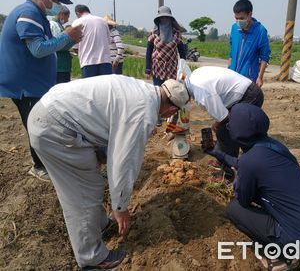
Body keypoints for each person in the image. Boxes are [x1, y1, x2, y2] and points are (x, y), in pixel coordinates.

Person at [27, 75, 189, 270]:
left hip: (51, 113)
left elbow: (109, 121)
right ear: (171, 109)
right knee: (82, 194)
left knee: (91, 182)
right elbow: (124, 162)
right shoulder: (143, 113)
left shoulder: (143, 90)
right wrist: (120, 207)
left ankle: (101, 225)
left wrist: (102, 151)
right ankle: (92, 258)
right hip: (55, 128)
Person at [207, 103, 300, 270]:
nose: (228, 127)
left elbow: (243, 200)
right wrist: (219, 154)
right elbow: (246, 163)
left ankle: (281, 257)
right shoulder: (273, 146)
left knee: (234, 209)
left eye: (230, 124)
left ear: (237, 131)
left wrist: (239, 181)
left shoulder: (250, 161)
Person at [0, 0, 82, 181]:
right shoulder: (28, 13)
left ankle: (44, 162)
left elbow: (49, 45)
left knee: (40, 123)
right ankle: (39, 166)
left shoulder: (37, 14)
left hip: (32, 82)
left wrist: (69, 41)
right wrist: (67, 36)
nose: (56, 4)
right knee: (35, 125)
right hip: (24, 85)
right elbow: (37, 49)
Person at [183, 66, 264, 160]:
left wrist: (216, 125)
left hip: (250, 96)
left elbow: (224, 117)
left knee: (229, 131)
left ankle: (231, 168)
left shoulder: (202, 93)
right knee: (224, 129)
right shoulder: (193, 78)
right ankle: (223, 159)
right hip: (243, 93)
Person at [228, 0, 271, 87]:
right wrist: (228, 69)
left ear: (250, 15)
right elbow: (231, 53)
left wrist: (260, 77)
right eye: (236, 18)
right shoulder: (234, 28)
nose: (238, 21)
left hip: (248, 79)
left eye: (242, 18)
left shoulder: (260, 31)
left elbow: (264, 57)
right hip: (232, 76)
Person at [145, 5, 186, 86]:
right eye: (162, 18)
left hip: (172, 68)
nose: (164, 20)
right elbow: (148, 52)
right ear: (158, 20)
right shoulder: (154, 34)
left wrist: (183, 69)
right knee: (159, 93)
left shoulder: (176, 34)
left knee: (171, 92)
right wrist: (148, 69)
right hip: (157, 68)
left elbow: (182, 53)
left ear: (170, 19)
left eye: (166, 17)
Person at [72, 5, 112, 78]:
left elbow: (75, 47)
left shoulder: (77, 22)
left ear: (77, 13)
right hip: (105, 61)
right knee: (105, 88)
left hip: (88, 62)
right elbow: (108, 42)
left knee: (90, 88)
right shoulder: (103, 21)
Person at [50, 5, 73, 83]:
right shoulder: (54, 25)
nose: (67, 20)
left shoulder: (59, 25)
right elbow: (58, 45)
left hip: (62, 65)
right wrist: (73, 40)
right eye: (67, 17)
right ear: (62, 14)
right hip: (59, 66)